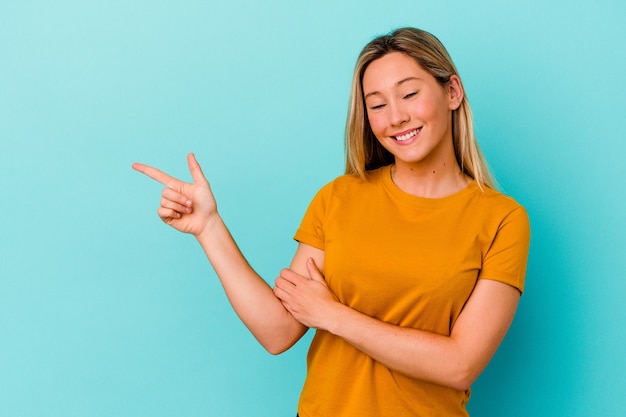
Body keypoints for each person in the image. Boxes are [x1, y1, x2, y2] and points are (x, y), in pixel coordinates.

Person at [132, 27, 530, 417]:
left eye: (409, 94)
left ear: (452, 92)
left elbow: (460, 364)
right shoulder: (339, 199)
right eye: (376, 105)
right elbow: (279, 332)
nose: (396, 117)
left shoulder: (502, 220)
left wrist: (333, 316)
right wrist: (208, 227)